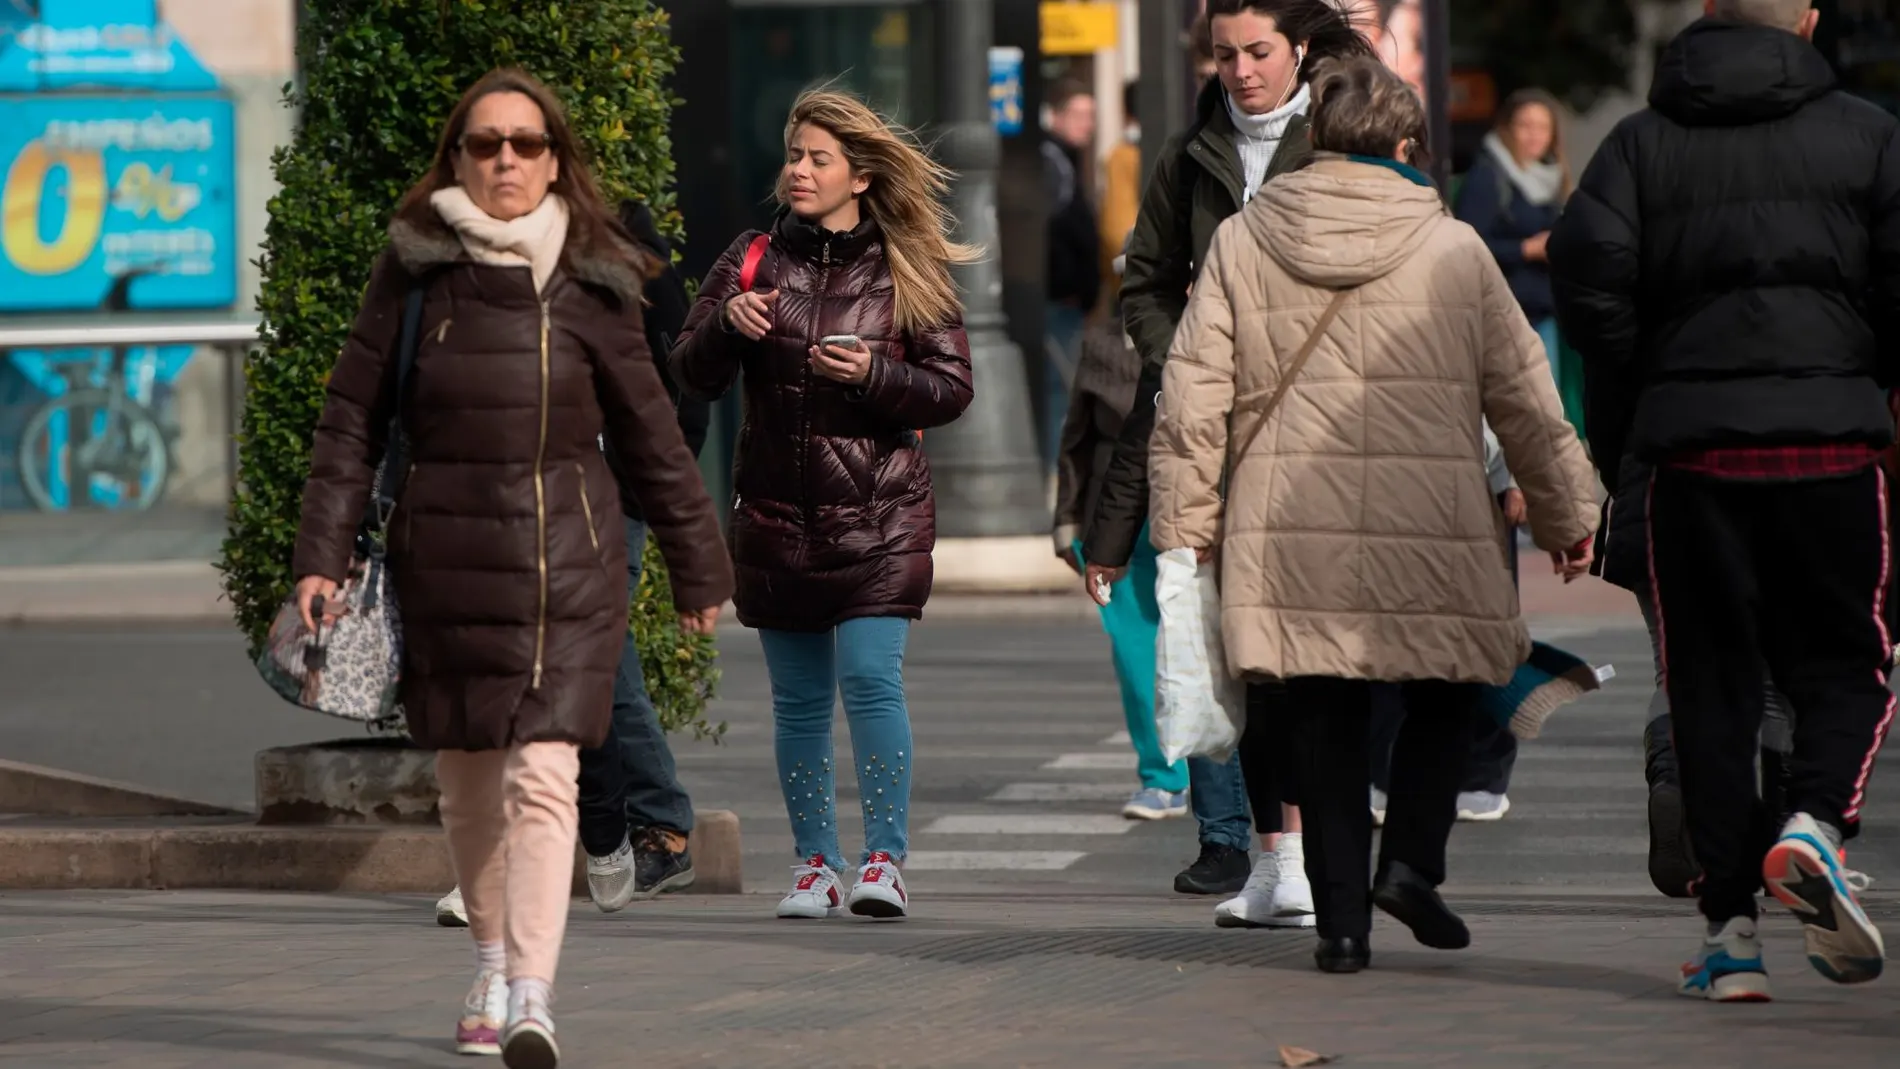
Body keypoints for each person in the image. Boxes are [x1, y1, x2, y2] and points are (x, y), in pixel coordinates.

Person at [290, 68, 732, 1064]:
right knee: (469, 784)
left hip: (565, 569)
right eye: (484, 143)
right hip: (443, 564)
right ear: (455, 157)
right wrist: (320, 552)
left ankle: (531, 993)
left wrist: (698, 564)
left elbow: (652, 430)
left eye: (524, 144)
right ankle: (489, 961)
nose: (504, 160)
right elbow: (352, 418)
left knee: (543, 776)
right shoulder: (414, 273)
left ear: (555, 158)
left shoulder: (596, 274)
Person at [1149, 53, 1597, 973]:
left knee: (1320, 716)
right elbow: (1524, 396)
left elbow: (1191, 403)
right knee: (1446, 690)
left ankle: (1342, 927)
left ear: (1316, 141)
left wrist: (1184, 532)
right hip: (1432, 519)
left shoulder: (1242, 241)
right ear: (1405, 146)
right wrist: (1566, 514)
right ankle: (1415, 864)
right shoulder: (1456, 247)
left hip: (1286, 527)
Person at [1550, 0, 1900, 1001]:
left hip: (1689, 457)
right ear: (1809, 20)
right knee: (1846, 663)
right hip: (1832, 446)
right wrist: (1862, 369)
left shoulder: (1639, 144)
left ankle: (1730, 938)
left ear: (1703, 17)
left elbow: (1586, 270)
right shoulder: (1867, 137)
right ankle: (1813, 822)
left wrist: (1641, 379)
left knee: (1710, 692)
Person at [1084, 0, 1379, 922]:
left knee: (1314, 653)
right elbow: (1145, 283)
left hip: (1325, 431)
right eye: (1225, 55)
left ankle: (1333, 844)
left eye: (1258, 52)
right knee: (1238, 645)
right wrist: (1188, 358)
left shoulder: (1342, 140)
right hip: (1215, 432)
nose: (1241, 71)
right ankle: (1272, 856)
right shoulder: (1189, 152)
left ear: (1299, 50)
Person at [670, 88, 976, 922]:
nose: (797, 171)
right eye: (793, 154)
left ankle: (884, 858)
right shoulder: (751, 256)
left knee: (872, 681)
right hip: (776, 515)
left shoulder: (908, 264)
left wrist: (873, 376)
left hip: (881, 516)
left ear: (862, 177)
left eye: (817, 158)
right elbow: (687, 373)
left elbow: (952, 389)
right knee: (798, 703)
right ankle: (815, 864)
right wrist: (728, 324)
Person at [432, 201, 711, 931]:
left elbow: (680, 381)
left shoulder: (623, 249)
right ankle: (623, 826)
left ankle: (637, 826)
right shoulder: (471, 261)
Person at [1054, 241, 1191, 823]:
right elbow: (1077, 437)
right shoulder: (1103, 344)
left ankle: (1213, 774)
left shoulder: (1216, 337)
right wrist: (1066, 520)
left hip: (1193, 507)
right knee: (1135, 646)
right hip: (1113, 515)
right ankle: (1163, 775)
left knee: (1197, 640)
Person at [1454, 90, 1578, 434]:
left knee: (1543, 418)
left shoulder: (1551, 179)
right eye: (1525, 125)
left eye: (1543, 127)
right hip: (1502, 315)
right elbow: (1467, 245)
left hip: (1542, 314)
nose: (1534, 135)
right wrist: (1525, 250)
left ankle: (1523, 488)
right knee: (1513, 419)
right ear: (1508, 128)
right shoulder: (1488, 177)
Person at [1043, 80, 1103, 467]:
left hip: (1069, 297)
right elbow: (1060, 228)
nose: (1089, 125)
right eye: (1080, 115)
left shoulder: (1065, 160)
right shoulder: (1053, 162)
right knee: (1059, 387)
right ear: (1058, 115)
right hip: (1057, 298)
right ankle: (1055, 465)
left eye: (1092, 116)